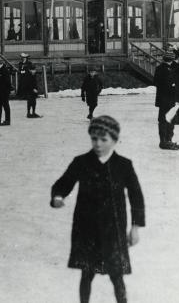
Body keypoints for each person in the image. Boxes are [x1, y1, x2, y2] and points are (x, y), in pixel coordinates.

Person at [50, 116, 145, 303]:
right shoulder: (81, 162)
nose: (98, 144)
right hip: (87, 229)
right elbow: (64, 183)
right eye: (94, 138)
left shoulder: (123, 165)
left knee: (117, 275)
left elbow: (136, 196)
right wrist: (57, 197)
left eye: (104, 139)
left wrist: (135, 227)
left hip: (114, 230)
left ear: (114, 140)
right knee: (87, 274)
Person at [153, 51, 179, 150]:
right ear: (171, 59)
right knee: (168, 120)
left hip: (164, 99)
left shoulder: (160, 68)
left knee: (165, 120)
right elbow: (166, 83)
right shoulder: (168, 69)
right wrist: (173, 86)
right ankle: (166, 141)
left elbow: (156, 82)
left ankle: (166, 140)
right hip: (168, 99)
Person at [17, 53, 40, 118]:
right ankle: (29, 112)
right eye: (22, 58)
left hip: (29, 83)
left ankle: (33, 112)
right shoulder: (20, 64)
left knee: (33, 99)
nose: (23, 59)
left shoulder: (29, 64)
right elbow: (20, 72)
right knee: (29, 99)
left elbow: (30, 75)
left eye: (24, 58)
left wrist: (24, 72)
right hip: (26, 84)